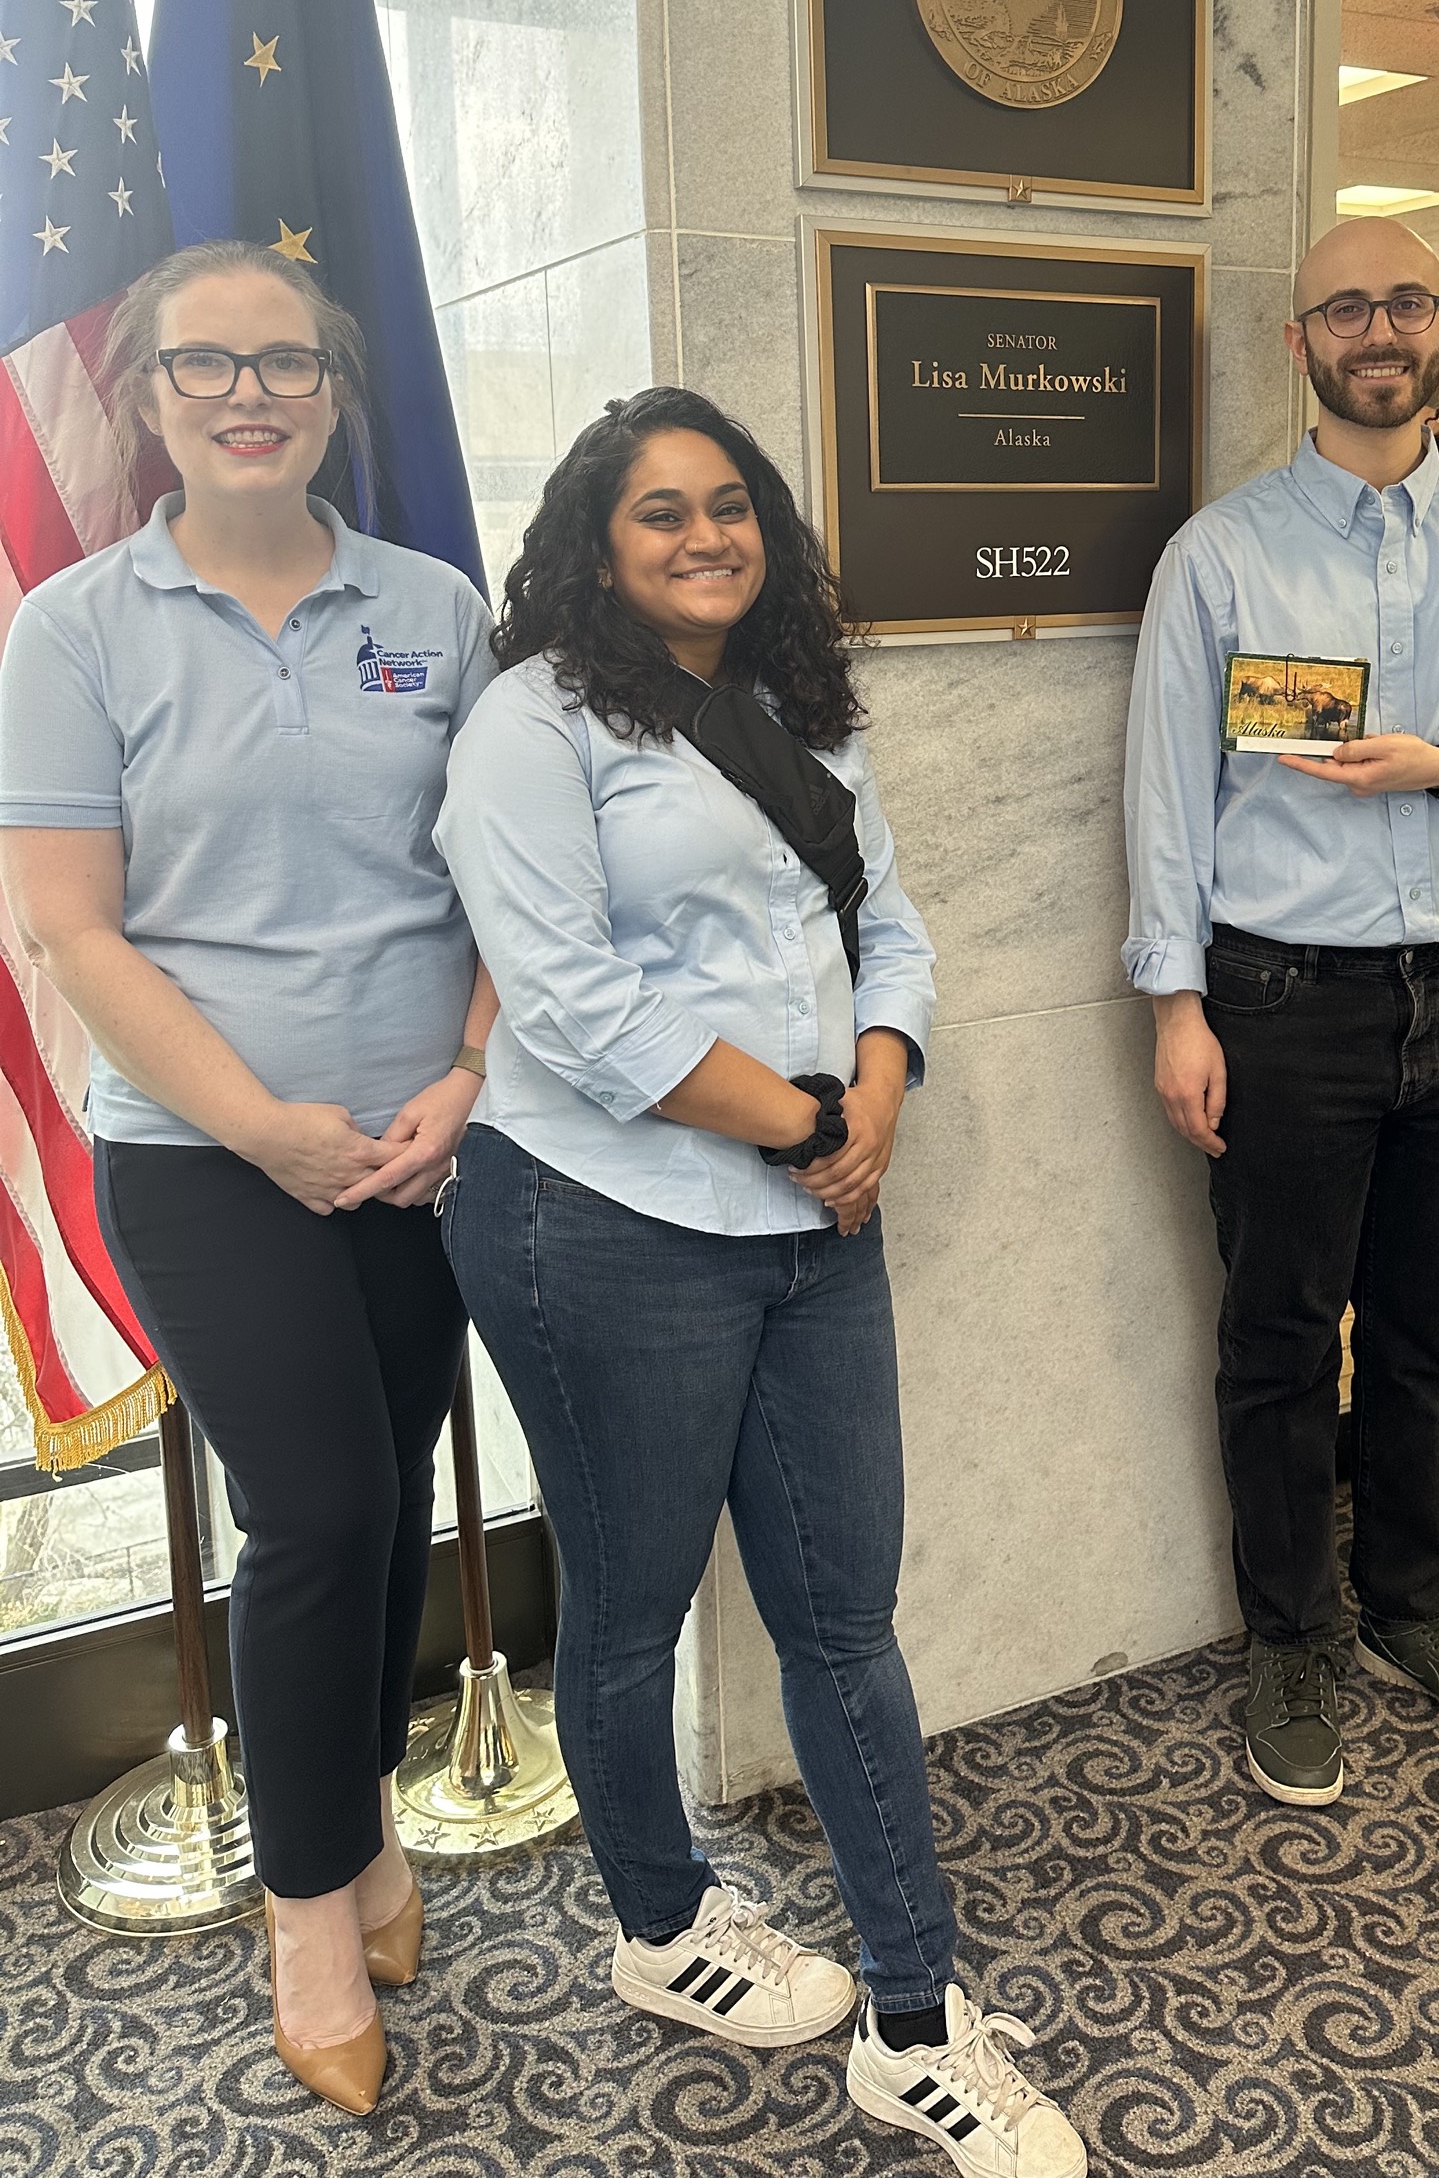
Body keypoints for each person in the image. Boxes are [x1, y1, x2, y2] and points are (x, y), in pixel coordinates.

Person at [434, 387, 1085, 2178]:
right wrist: (806, 1125)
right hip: (601, 1221)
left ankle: (909, 2008)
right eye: (660, 513)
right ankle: (660, 1926)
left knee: (841, 1623)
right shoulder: (526, 726)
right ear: (593, 542)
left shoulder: (798, 703)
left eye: (731, 505)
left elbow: (888, 925)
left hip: (815, 1221)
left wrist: (872, 1091)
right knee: (631, 1614)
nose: (705, 535)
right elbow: (569, 1002)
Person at [0, 242, 496, 2117]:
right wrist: (265, 1125)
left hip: (420, 1152)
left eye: (284, 364)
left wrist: (463, 1076)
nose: (250, 395)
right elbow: (76, 932)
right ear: (145, 402)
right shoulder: (75, 626)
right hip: (208, 1164)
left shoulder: (433, 609)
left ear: (331, 390)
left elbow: (499, 879)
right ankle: (311, 1905)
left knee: (376, 1510)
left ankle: (357, 1822)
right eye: (207, 369)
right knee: (313, 1514)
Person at [1122, 217, 1439, 1807]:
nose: (1381, 329)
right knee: (1278, 1335)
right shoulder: (1223, 554)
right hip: (1280, 996)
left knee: (1425, 1329)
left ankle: (1411, 1605)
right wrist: (1173, 1004)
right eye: (1347, 306)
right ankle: (1293, 1633)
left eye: (1408, 301)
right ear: (1303, 345)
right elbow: (1163, 800)